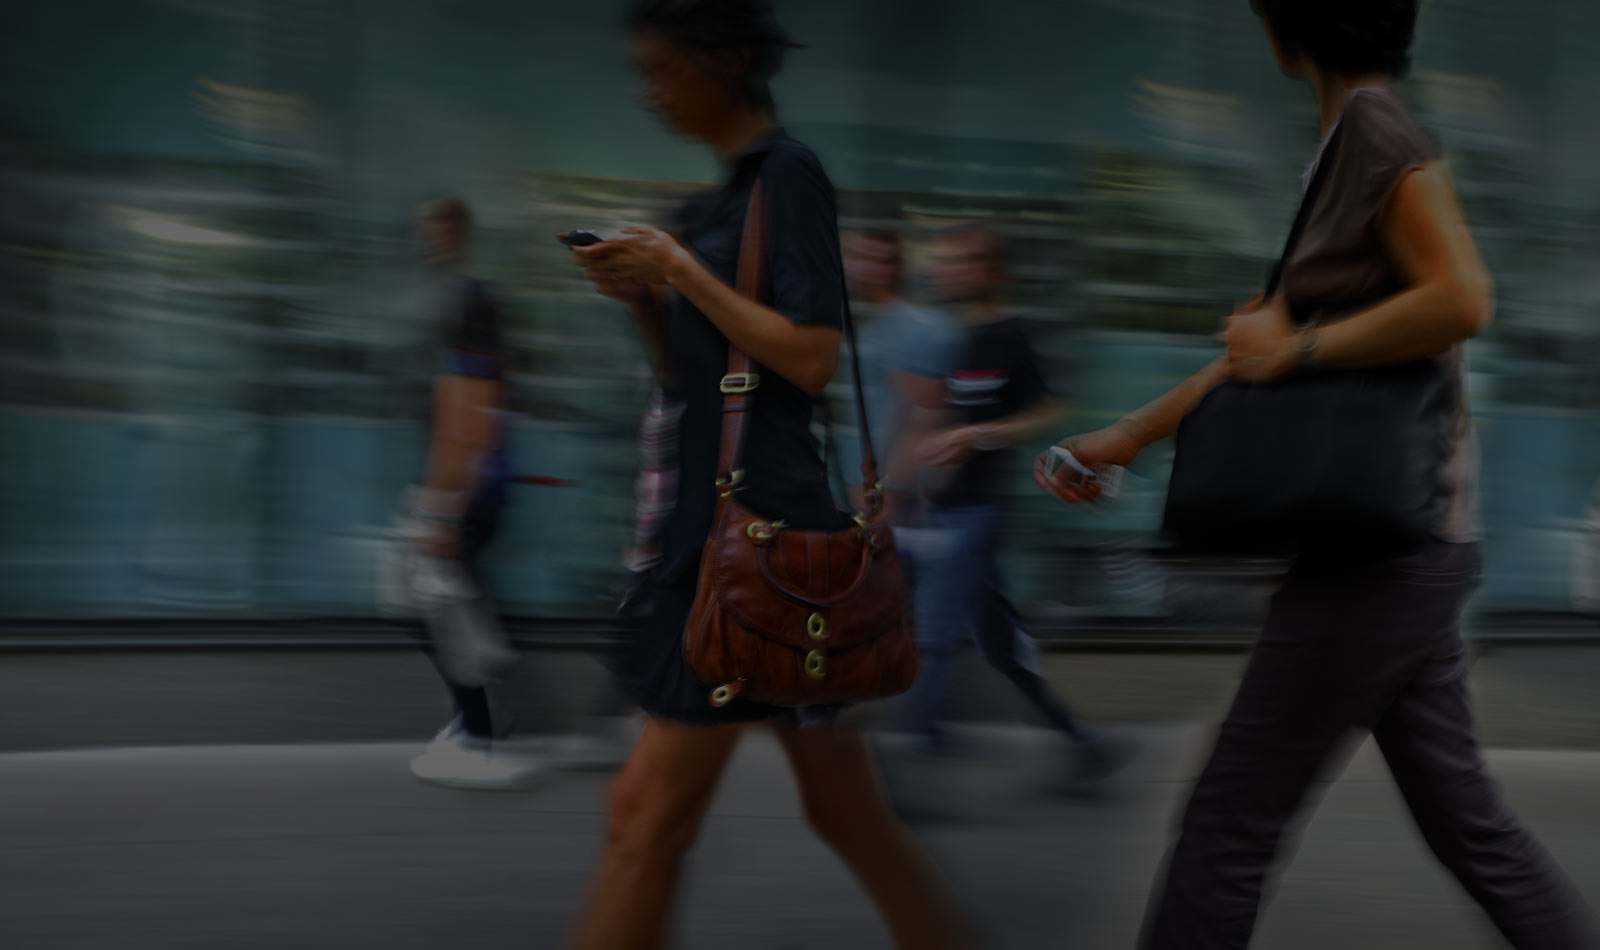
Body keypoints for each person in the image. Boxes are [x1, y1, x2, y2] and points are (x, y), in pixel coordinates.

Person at [1039, 3, 1595, 947]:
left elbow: (1461, 298)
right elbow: (1258, 353)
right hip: (1407, 549)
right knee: (1469, 828)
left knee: (1229, 819)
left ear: (1287, 26)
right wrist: (1129, 435)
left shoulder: (1375, 128)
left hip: (1382, 555)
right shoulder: (1343, 147)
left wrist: (1297, 346)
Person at [563, 2, 971, 947]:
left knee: (647, 822)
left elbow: (816, 358)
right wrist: (641, 298)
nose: (649, 89)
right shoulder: (720, 201)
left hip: (754, 544)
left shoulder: (788, 178)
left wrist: (681, 270)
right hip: (728, 535)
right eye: (643, 71)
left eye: (664, 68)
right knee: (845, 821)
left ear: (731, 58)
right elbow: (697, 381)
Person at [902, 226, 1123, 792]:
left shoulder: (1013, 335)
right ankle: (1082, 744)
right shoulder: (946, 340)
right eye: (946, 260)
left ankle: (911, 763)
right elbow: (928, 419)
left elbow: (1047, 412)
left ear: (995, 271)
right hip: (943, 509)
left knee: (937, 628)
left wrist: (981, 435)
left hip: (979, 513)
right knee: (999, 647)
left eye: (964, 260)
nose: (950, 270)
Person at [404, 197, 541, 789]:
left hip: (469, 489)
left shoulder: (469, 305)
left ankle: (480, 733)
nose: (425, 238)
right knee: (451, 606)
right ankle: (477, 714)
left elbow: (469, 424)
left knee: (433, 607)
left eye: (433, 228)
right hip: (471, 486)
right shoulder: (458, 301)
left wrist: (442, 508)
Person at [843, 229, 961, 529]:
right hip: (849, 488)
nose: (861, 268)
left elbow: (923, 419)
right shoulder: (858, 322)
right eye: (854, 256)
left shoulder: (914, 327)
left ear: (895, 267)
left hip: (882, 499)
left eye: (876, 259)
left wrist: (885, 494)